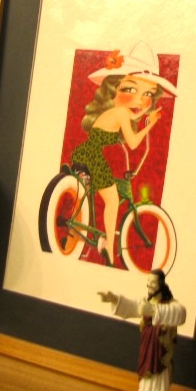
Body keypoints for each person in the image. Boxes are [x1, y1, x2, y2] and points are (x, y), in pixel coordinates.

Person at [71, 41, 176, 265]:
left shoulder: (118, 111)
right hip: (93, 157)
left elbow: (131, 116)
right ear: (112, 88)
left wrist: (145, 113)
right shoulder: (120, 113)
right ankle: (109, 248)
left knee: (100, 194)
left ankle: (92, 237)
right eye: (130, 89)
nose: (139, 100)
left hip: (85, 153)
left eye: (148, 93)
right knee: (113, 200)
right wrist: (150, 124)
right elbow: (134, 142)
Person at [98, 269, 186, 391]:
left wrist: (154, 311)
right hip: (147, 346)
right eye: (148, 282)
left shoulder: (170, 304)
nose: (149, 285)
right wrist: (114, 299)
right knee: (146, 370)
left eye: (153, 282)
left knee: (158, 373)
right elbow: (134, 306)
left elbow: (180, 313)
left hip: (161, 350)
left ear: (161, 284)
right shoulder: (147, 301)